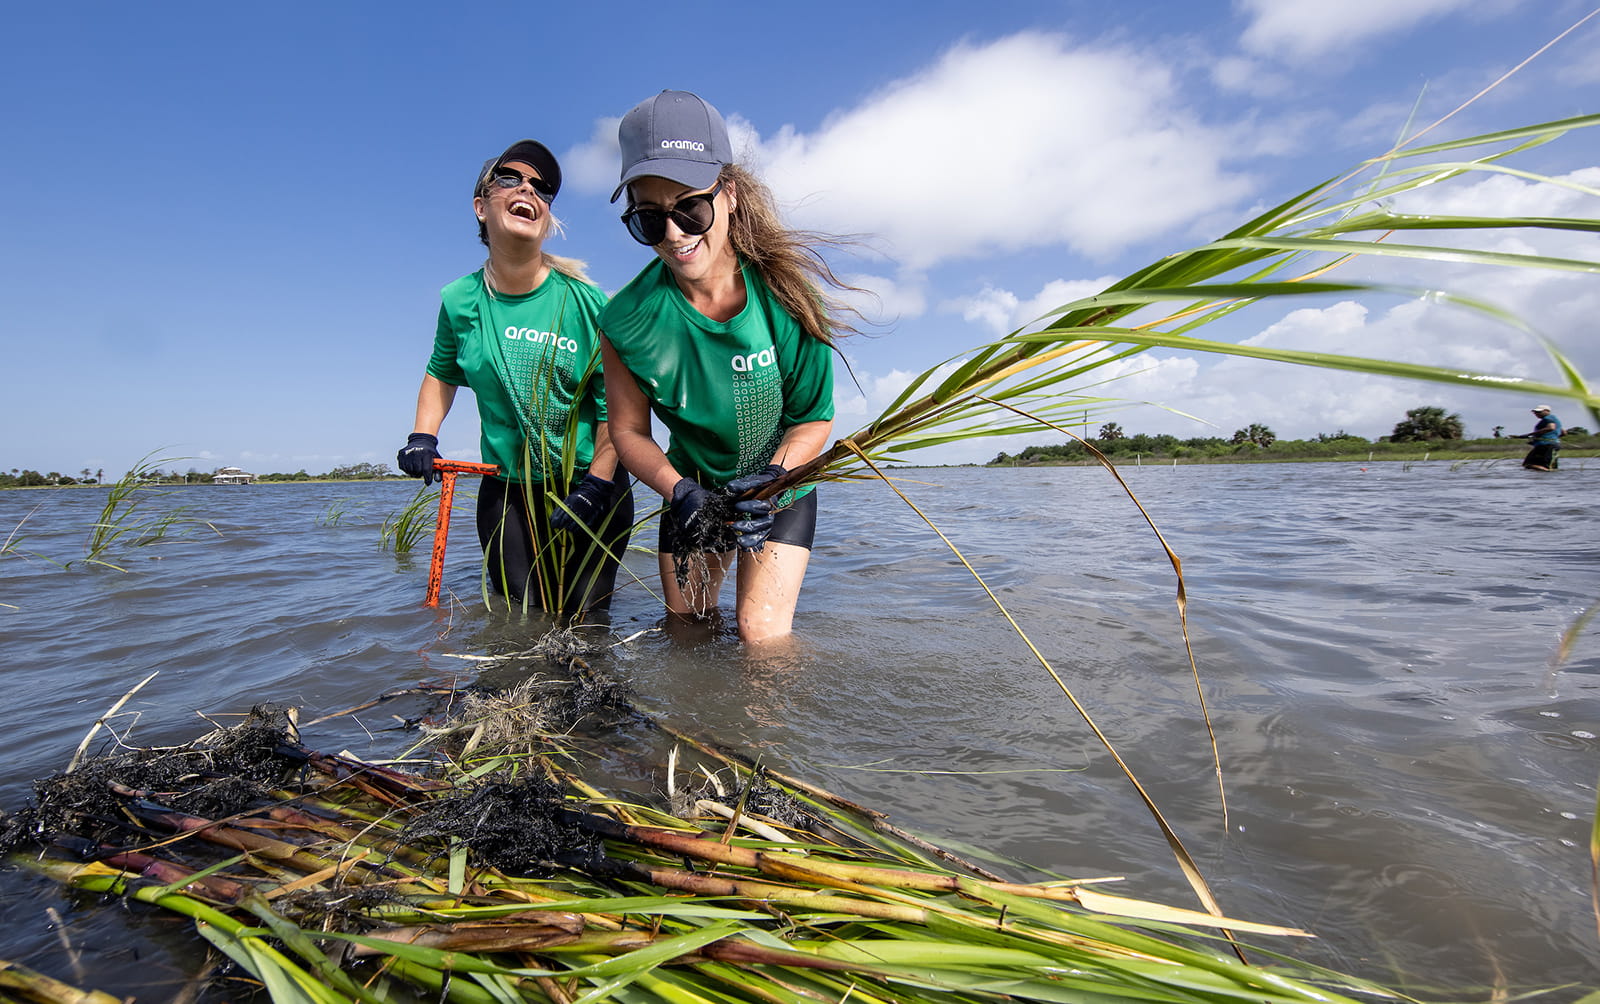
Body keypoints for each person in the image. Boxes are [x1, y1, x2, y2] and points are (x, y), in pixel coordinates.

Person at [598, 90, 860, 645]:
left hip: (778, 490)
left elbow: (813, 419)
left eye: (690, 208)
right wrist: (679, 492)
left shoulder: (788, 296)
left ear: (731, 194)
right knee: (687, 631)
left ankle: (762, 735)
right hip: (690, 490)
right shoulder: (624, 319)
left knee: (760, 633)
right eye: (649, 219)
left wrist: (776, 475)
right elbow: (626, 431)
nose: (673, 235)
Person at [398, 140, 632, 615]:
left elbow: (618, 407)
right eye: (510, 177)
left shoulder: (587, 303)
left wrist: (597, 485)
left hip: (592, 483)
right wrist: (423, 435)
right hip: (507, 490)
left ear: (546, 219)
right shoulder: (460, 299)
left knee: (588, 623)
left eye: (542, 188)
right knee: (518, 624)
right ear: (481, 207)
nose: (527, 187)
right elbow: (441, 374)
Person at [1520, 404, 1563, 471]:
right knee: (1530, 464)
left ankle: (1546, 477)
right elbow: (1564, 432)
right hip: (1546, 445)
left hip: (1547, 446)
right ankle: (1545, 478)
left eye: (1539, 412)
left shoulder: (1548, 418)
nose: (1536, 414)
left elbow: (1551, 428)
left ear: (1547, 411)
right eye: (1535, 412)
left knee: (1531, 464)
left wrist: (1528, 434)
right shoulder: (1555, 419)